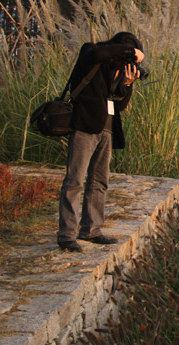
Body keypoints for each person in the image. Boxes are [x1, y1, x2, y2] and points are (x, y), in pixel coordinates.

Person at [57, 32, 144, 252]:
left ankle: (91, 229)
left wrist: (127, 83)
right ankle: (66, 235)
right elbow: (101, 52)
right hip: (84, 127)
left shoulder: (114, 70)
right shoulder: (91, 52)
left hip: (106, 129)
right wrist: (132, 52)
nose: (127, 61)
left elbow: (119, 105)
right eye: (126, 54)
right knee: (75, 180)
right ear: (117, 47)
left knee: (99, 181)